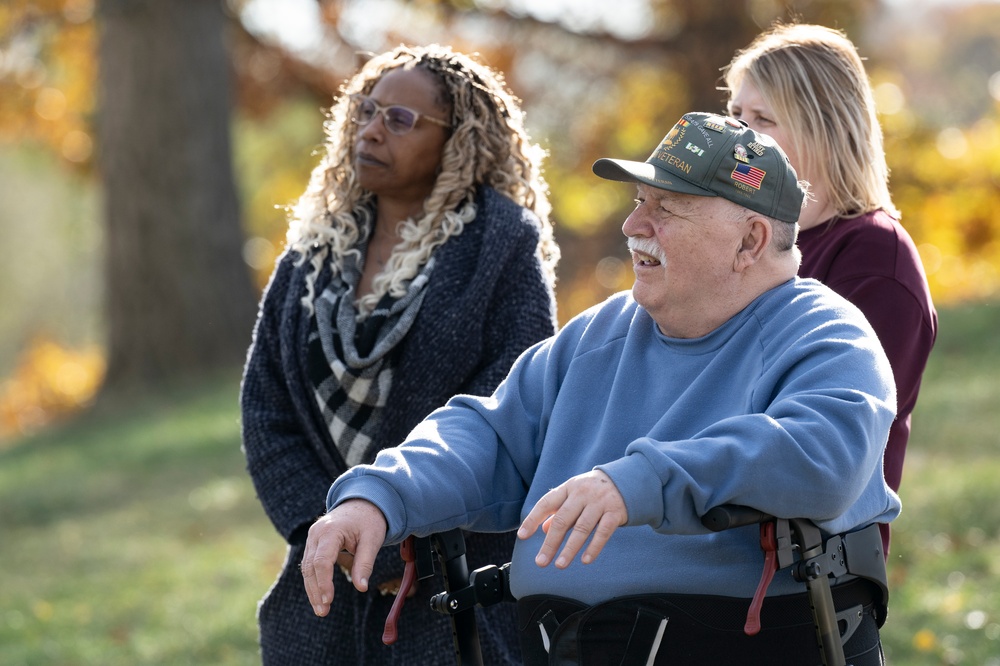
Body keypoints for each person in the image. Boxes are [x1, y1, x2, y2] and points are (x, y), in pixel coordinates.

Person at [300, 112, 902, 664]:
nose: (633, 224)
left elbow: (822, 453)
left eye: (666, 208)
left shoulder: (824, 332)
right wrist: (378, 496)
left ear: (749, 241)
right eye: (640, 201)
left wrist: (640, 481)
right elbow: (489, 433)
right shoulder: (600, 334)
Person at [240, 44, 560, 665]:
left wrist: (389, 530)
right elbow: (266, 410)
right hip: (323, 584)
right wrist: (327, 532)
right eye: (365, 110)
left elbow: (512, 408)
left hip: (453, 580)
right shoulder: (311, 255)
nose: (371, 130)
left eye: (400, 120)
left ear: (457, 140)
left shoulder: (499, 247)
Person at [723, 23, 938, 555]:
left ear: (824, 128)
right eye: (736, 117)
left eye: (762, 120)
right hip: (707, 531)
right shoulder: (743, 237)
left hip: (808, 570)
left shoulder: (873, 258)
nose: (739, 138)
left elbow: (823, 441)